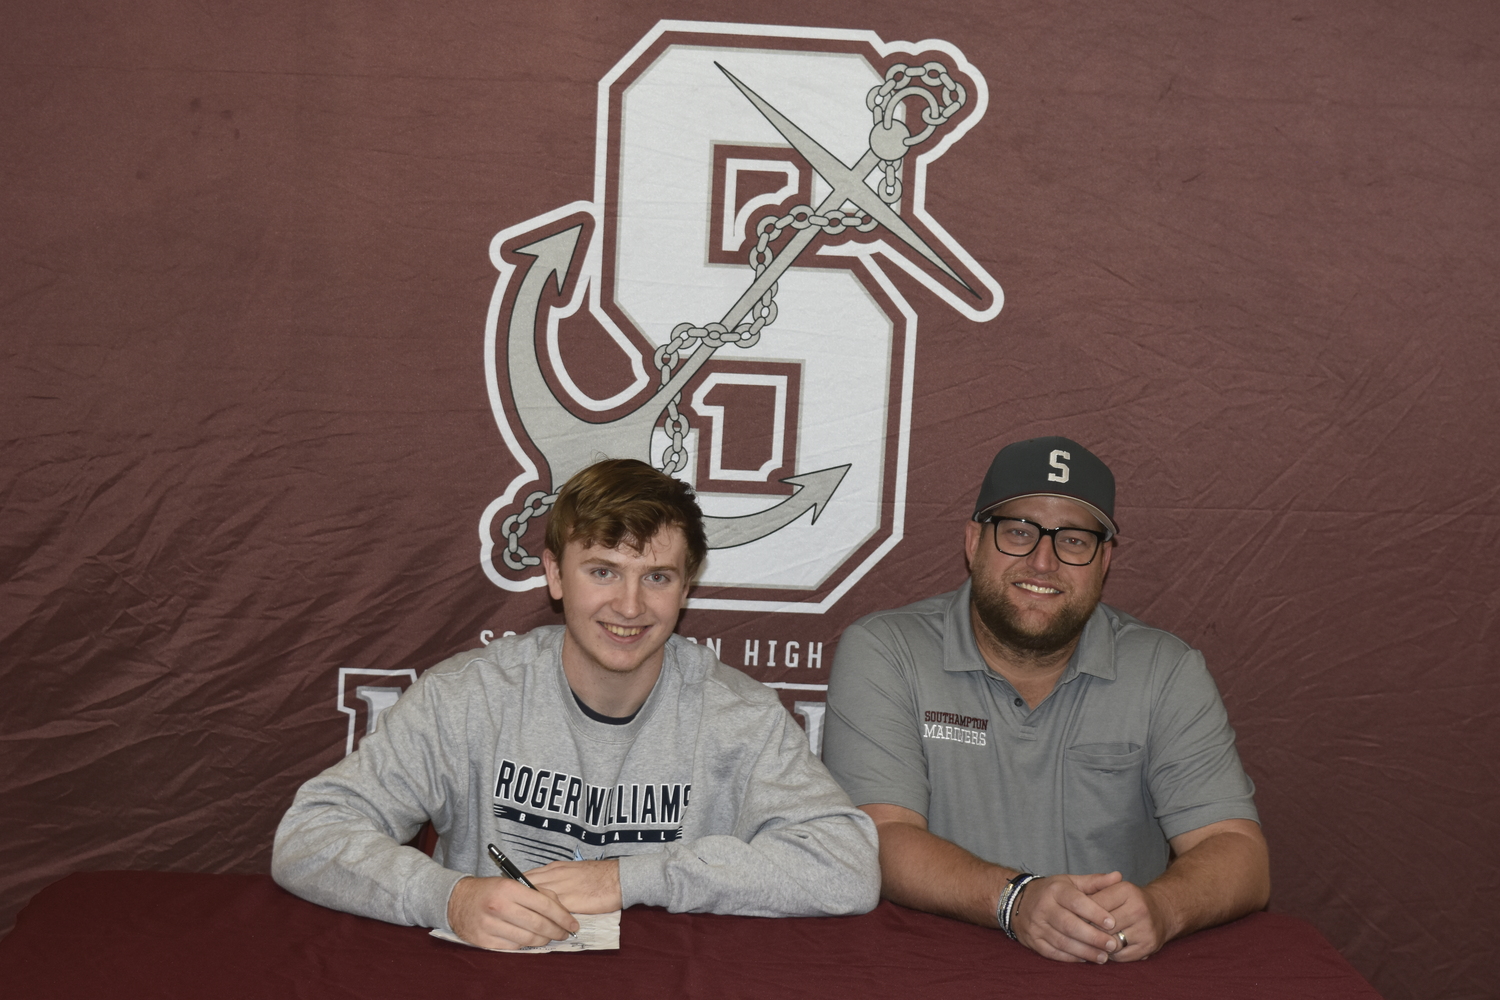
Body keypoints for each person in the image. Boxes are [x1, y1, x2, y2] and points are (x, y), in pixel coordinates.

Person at [274, 458, 879, 949]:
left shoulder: (738, 716)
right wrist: (450, 898)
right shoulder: (471, 696)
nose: (630, 605)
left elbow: (846, 866)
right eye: (603, 571)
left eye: (658, 577)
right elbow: (309, 835)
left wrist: (631, 877)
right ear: (555, 576)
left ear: (687, 587)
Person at [822, 436, 1269, 964]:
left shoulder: (1165, 669)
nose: (1042, 561)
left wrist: (1162, 909)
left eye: (1073, 541)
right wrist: (1016, 899)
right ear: (973, 542)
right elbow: (881, 835)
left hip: (1105, 970)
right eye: (1018, 532)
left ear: (1104, 560)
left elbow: (1240, 852)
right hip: (925, 968)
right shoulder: (887, 650)